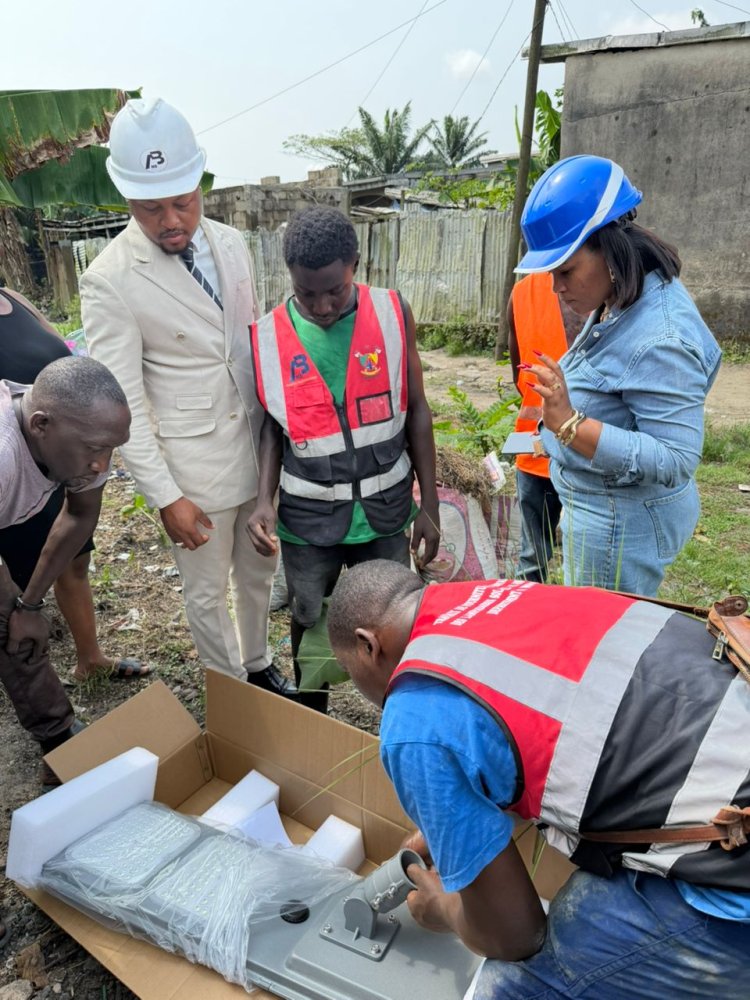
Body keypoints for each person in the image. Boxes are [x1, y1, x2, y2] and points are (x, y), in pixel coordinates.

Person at [327, 559, 750, 999]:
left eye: (349, 671)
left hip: (733, 881)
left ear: (367, 646)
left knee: (513, 987)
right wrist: (458, 821)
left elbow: (516, 936)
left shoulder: (413, 719)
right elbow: (551, 731)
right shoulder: (498, 596)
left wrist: (446, 909)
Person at [81, 98, 291, 695]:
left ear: (200, 184)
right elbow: (121, 409)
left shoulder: (230, 243)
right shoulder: (110, 279)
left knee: (258, 570)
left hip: (259, 451)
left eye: (184, 201)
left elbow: (248, 347)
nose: (173, 220)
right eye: (152, 208)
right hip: (192, 468)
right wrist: (167, 497)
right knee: (205, 590)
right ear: (126, 198)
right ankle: (230, 692)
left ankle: (256, 662)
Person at [247, 206, 439, 711]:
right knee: (309, 615)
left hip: (385, 511)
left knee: (397, 617)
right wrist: (263, 500)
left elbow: (417, 410)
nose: (323, 305)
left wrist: (431, 506)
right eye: (307, 292)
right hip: (308, 521)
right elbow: (273, 425)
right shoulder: (269, 335)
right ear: (289, 276)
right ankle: (312, 714)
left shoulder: (393, 313)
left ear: (355, 262)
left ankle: (401, 716)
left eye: (334, 289)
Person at [513, 154, 721, 597]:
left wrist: (569, 424)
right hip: (600, 512)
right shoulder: (622, 296)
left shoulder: (661, 336)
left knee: (602, 654)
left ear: (608, 247)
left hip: (617, 530)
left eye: (565, 271)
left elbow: (675, 457)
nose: (556, 287)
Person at [0, 286, 148, 681]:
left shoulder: (14, 299)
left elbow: (80, 514)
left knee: (71, 560)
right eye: (101, 454)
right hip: (25, 454)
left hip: (64, 435)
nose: (104, 466)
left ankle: (89, 660)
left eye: (111, 452)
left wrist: (31, 607)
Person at [507, 273, 585, 582]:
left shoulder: (522, 292)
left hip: (534, 442)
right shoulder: (600, 281)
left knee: (531, 558)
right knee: (582, 564)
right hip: (585, 445)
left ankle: (527, 620)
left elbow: (518, 372)